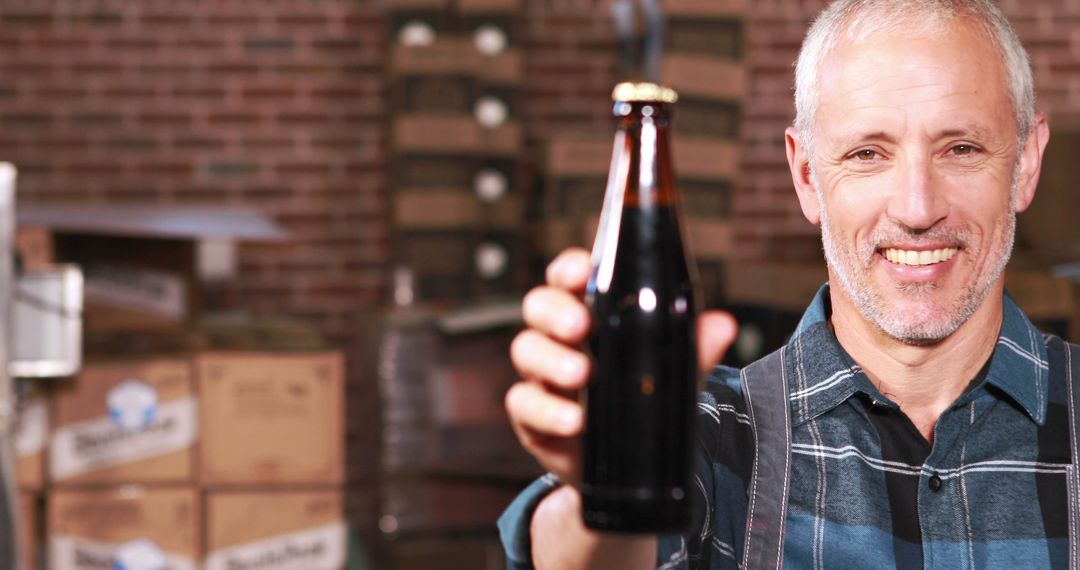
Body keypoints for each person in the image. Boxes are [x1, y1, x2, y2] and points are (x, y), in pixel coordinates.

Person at [498, 0, 1080, 568]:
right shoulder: (713, 435)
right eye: (868, 153)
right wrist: (602, 489)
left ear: (1026, 162)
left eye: (961, 148)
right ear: (806, 177)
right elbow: (584, 555)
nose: (917, 207)